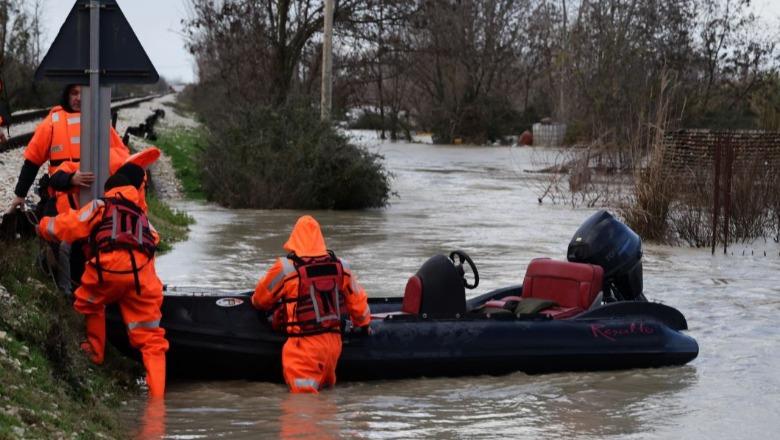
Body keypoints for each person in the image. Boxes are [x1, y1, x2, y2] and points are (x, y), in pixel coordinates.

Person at [36, 158, 168, 398]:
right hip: (141, 278)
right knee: (152, 341)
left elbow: (69, 225)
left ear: (110, 189)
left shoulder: (101, 206)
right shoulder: (143, 218)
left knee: (89, 301)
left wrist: (43, 225)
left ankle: (96, 351)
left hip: (106, 271)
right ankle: (157, 400)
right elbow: (154, 243)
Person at [251, 215, 371, 393]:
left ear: (295, 239)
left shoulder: (286, 268)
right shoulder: (341, 267)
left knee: (303, 407)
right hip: (333, 345)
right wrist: (363, 325)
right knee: (326, 406)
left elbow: (260, 300)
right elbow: (359, 304)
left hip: (304, 348)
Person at [6, 84, 130, 215]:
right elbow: (32, 162)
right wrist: (20, 195)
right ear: (67, 95)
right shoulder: (52, 122)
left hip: (98, 195)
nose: (79, 98)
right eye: (74, 93)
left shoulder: (99, 122)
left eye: (83, 93)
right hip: (61, 197)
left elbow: (123, 158)